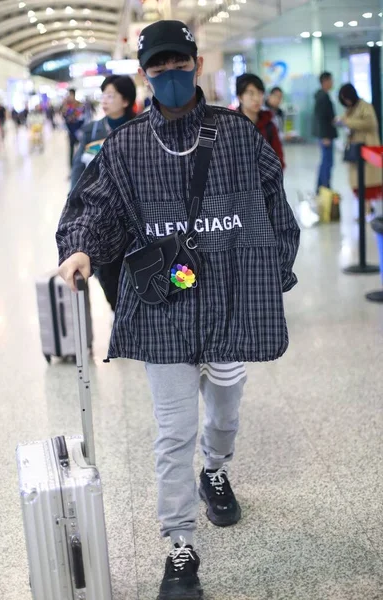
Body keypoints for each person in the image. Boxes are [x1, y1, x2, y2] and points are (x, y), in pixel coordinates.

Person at [56, 20, 300, 600]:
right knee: (172, 433)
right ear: (145, 74)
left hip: (229, 300)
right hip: (164, 303)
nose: (170, 75)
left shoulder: (237, 135)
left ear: (196, 63)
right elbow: (96, 207)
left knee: (223, 412)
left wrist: (274, 273)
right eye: (158, 67)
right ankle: (180, 545)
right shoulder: (125, 146)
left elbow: (274, 206)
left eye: (178, 63)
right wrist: (82, 250)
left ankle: (215, 466)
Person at [71, 75, 137, 311]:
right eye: (103, 96)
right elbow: (78, 173)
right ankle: (118, 313)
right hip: (104, 221)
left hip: (136, 222)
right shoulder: (92, 131)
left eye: (111, 96)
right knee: (109, 279)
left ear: (126, 100)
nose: (105, 101)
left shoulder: (140, 129)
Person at [337, 83, 381, 209]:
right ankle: (365, 208)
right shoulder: (350, 109)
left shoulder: (365, 107)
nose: (346, 101)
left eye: (346, 98)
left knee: (368, 181)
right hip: (354, 149)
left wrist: (348, 122)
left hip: (367, 148)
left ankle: (367, 209)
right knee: (355, 181)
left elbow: (371, 123)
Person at [236, 73, 285, 168]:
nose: (256, 98)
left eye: (260, 93)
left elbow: (279, 160)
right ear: (240, 97)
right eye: (251, 93)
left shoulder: (269, 126)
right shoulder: (231, 126)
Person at [313, 72, 337, 192]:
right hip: (326, 135)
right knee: (327, 163)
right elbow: (321, 118)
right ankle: (325, 188)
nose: (332, 83)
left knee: (325, 162)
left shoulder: (323, 95)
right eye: (331, 80)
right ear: (325, 81)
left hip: (325, 133)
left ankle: (320, 187)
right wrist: (325, 136)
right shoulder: (323, 96)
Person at [62, 88, 84, 169]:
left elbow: (82, 118)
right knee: (71, 149)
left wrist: (79, 129)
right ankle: (71, 168)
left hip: (79, 131)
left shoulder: (79, 105)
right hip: (71, 131)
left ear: (73, 95)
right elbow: (64, 118)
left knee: (80, 149)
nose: (69, 97)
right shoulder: (66, 106)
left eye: (70, 94)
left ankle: (80, 166)